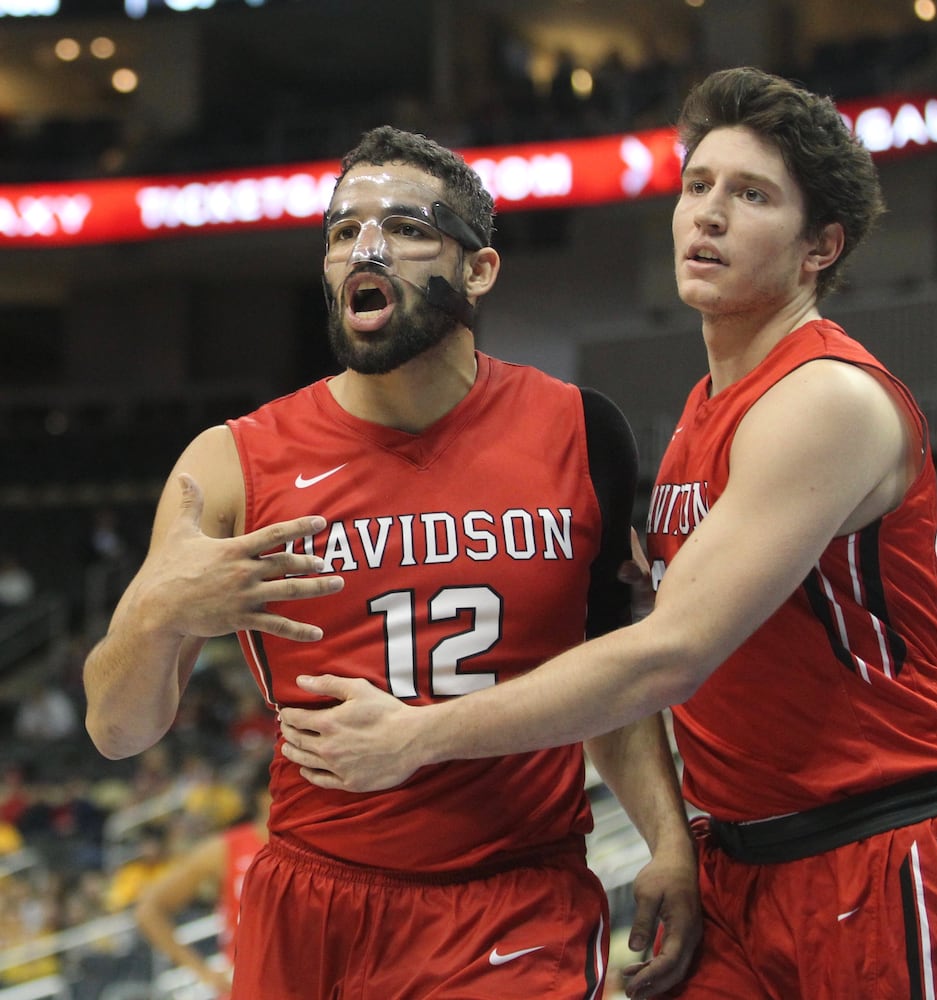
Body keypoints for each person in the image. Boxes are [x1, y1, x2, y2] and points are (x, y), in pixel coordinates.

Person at [277, 68, 937, 998]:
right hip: (744, 866)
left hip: (883, 853)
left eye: (751, 195)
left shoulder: (825, 398)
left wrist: (416, 738)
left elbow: (667, 654)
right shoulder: (700, 409)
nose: (708, 215)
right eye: (697, 187)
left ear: (819, 248)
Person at [82, 126, 700, 1000]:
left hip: (513, 900)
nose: (364, 247)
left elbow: (609, 676)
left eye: (406, 226)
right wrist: (159, 613)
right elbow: (117, 730)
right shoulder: (228, 463)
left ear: (478, 270)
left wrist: (668, 842)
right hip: (313, 899)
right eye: (341, 232)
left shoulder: (581, 430)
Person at [135, 767, 270, 998]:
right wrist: (202, 971)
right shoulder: (226, 848)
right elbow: (149, 909)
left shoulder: (320, 843)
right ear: (262, 795)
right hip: (249, 988)